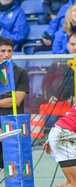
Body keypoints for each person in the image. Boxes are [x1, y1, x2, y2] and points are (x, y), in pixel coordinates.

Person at [31, 33, 76, 142]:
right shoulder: (58, 61)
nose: (75, 48)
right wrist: (50, 96)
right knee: (37, 101)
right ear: (67, 45)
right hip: (57, 102)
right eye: (72, 44)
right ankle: (35, 139)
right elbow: (46, 82)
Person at [0, 37, 29, 169]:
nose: (7, 54)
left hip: (12, 127)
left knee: (14, 174)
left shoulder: (21, 73)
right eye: (3, 51)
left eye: (9, 51)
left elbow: (16, 101)